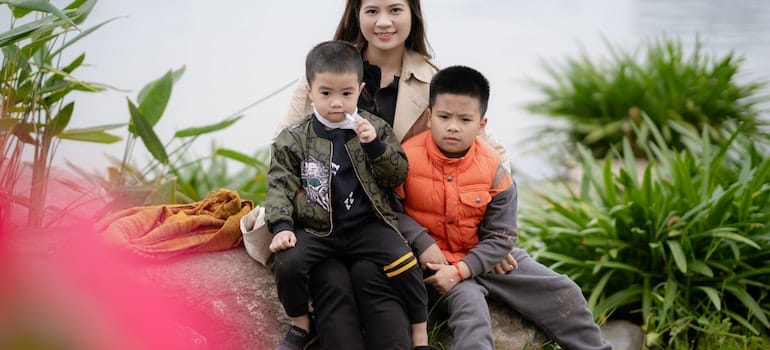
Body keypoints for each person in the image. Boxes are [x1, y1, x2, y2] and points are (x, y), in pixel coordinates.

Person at [275, 1, 516, 349]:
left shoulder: (434, 77)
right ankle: (306, 327)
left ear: (413, 15)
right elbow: (281, 145)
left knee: (378, 284)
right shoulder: (328, 69)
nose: (384, 22)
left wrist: (490, 231)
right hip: (324, 218)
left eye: (395, 10)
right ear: (356, 14)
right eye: (372, 10)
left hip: (390, 223)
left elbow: (492, 153)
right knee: (332, 285)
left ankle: (416, 338)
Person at [396, 65, 611, 350]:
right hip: (434, 266)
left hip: (482, 259)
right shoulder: (407, 158)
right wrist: (423, 244)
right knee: (472, 309)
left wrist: (462, 269)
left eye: (465, 119)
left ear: (481, 125)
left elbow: (503, 235)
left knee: (564, 291)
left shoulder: (493, 167)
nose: (453, 126)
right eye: (444, 116)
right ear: (429, 116)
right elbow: (391, 212)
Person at [266, 40, 429, 350]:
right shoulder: (295, 138)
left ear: (360, 89)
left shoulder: (374, 129)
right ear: (310, 91)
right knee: (288, 262)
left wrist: (374, 147)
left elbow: (398, 175)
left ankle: (419, 330)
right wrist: (282, 227)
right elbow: (279, 184)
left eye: (346, 94)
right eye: (326, 93)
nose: (336, 103)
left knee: (406, 262)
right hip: (318, 231)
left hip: (367, 226)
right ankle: (300, 324)